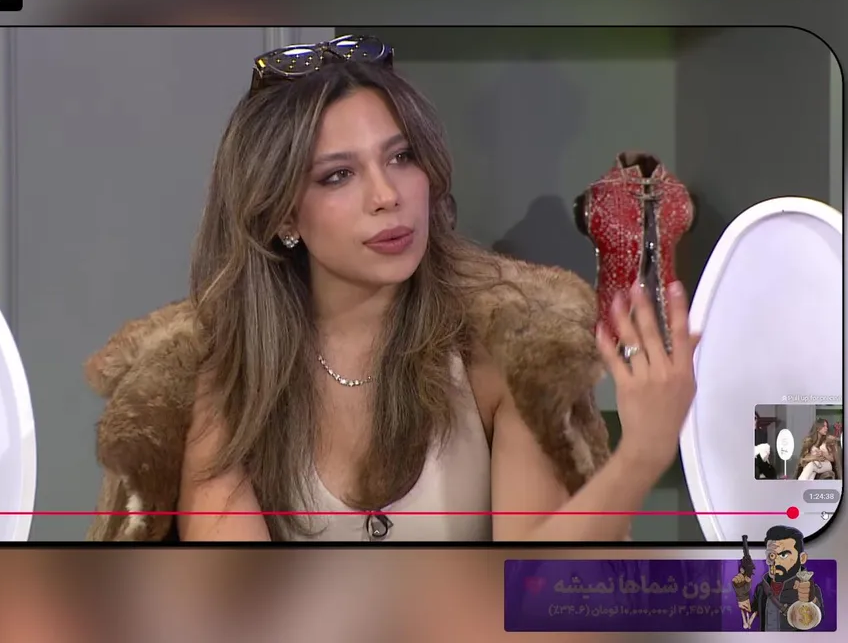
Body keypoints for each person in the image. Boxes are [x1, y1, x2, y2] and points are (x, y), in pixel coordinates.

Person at [83, 35, 701, 542]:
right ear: (281, 216)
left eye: (402, 158)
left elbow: (532, 594)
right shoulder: (227, 385)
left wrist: (642, 455)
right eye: (338, 175)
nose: (387, 195)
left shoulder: (504, 351)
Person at [732, 525, 824, 631]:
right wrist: (742, 594)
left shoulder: (809, 589)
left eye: (783, 555)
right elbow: (751, 616)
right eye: (771, 555)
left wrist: (811, 600)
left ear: (802, 558)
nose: (776, 561)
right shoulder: (762, 588)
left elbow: (818, 616)